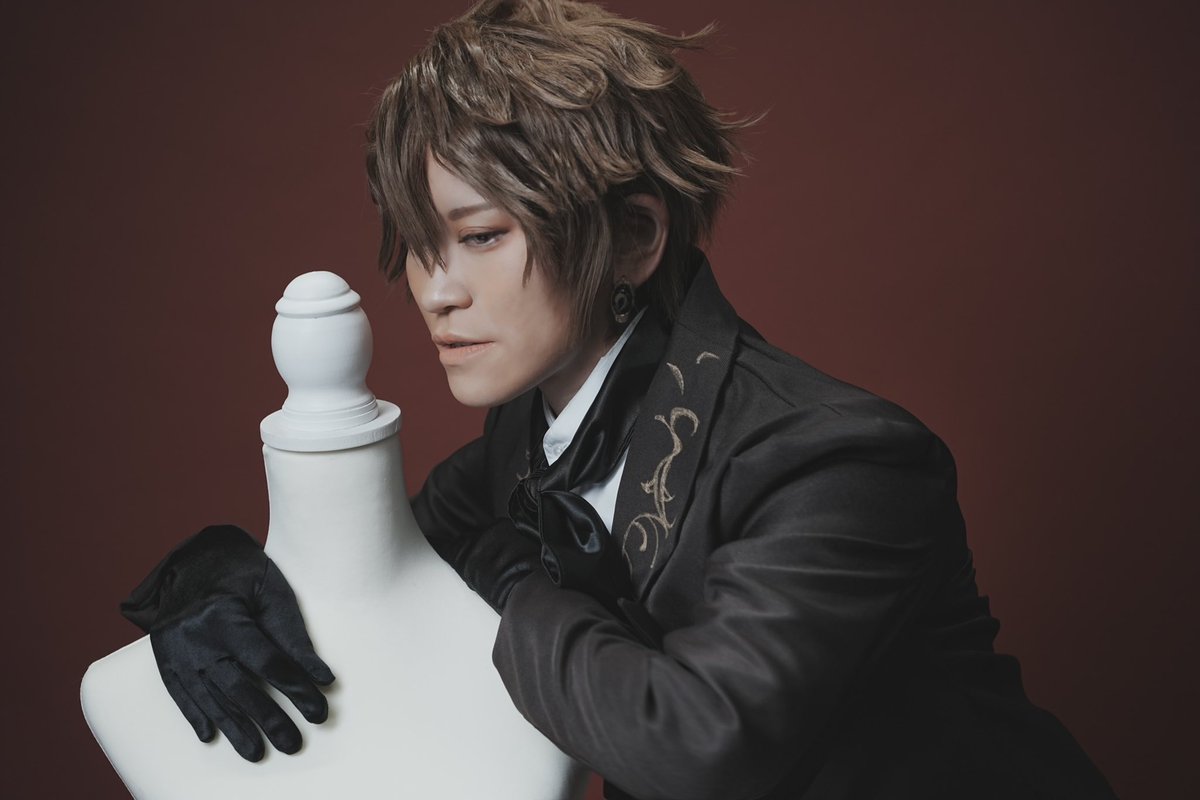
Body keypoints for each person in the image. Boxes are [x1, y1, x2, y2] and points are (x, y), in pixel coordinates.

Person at [120, 1, 1117, 797]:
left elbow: (698, 744)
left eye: (482, 236)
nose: (434, 290)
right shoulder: (527, 434)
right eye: (421, 244)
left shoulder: (838, 461)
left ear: (636, 236)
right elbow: (384, 561)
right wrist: (208, 582)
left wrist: (513, 576)